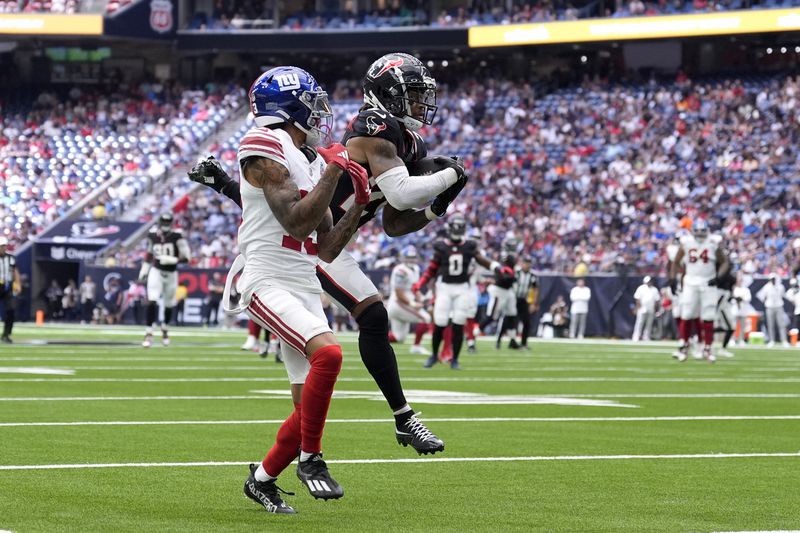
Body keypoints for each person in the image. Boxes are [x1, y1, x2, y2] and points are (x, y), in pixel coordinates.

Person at [190, 52, 469, 455]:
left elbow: (394, 222)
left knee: (326, 361)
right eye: (412, 94)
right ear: (389, 95)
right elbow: (398, 193)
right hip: (316, 249)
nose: (421, 103)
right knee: (371, 316)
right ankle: (401, 420)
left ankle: (301, 456)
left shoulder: (408, 141)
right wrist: (452, 174)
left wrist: (438, 205)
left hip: (330, 239)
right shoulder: (374, 126)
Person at [226, 66, 371, 513]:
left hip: (303, 278)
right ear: (287, 105)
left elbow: (324, 245)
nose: (320, 113)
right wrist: (333, 170)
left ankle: (263, 479)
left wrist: (360, 207)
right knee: (329, 353)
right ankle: (311, 459)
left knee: (305, 406)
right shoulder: (263, 143)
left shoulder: (305, 157)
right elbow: (296, 221)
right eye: (313, 102)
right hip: (266, 276)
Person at [413, 214, 508, 368]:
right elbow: (432, 268)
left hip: (462, 288)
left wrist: (496, 267)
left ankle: (455, 359)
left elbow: (480, 259)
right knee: (440, 322)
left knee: (458, 323)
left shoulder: (469, 246)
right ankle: (434, 355)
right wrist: (421, 283)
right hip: (444, 287)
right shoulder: (441, 246)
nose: (456, 230)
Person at [669, 220, 729, 362]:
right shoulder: (687, 243)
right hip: (690, 282)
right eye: (698, 232)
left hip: (708, 282)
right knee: (687, 314)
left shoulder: (713, 243)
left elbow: (725, 262)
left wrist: (719, 277)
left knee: (708, 315)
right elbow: (676, 262)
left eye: (703, 232)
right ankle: (684, 345)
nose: (700, 235)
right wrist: (672, 279)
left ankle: (707, 348)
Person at [138, 213, 191, 347]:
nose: (166, 225)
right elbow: (149, 254)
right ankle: (149, 332)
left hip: (172, 273)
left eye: (168, 222)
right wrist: (144, 270)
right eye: (164, 222)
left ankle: (165, 328)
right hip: (156, 271)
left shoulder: (177, 236)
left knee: (168, 304)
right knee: (152, 300)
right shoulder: (153, 236)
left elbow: (187, 257)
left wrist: (174, 260)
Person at [387, 246, 431, 355]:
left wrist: (422, 298)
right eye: (408, 257)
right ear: (403, 258)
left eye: (413, 257)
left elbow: (414, 288)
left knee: (399, 338)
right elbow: (399, 292)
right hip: (398, 304)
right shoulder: (400, 270)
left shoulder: (415, 269)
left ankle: (373, 338)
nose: (410, 260)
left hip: (403, 304)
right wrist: (413, 303)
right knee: (425, 318)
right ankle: (416, 346)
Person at [488, 237, 519, 350]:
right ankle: (475, 334)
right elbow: (504, 273)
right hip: (500, 289)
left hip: (508, 290)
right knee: (493, 316)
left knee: (511, 314)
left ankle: (512, 339)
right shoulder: (504, 257)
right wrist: (512, 277)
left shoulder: (510, 257)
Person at [513, 256, 538, 350]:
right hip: (514, 299)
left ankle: (524, 343)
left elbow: (535, 289)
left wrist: (533, 303)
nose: (527, 265)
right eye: (525, 262)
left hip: (524, 300)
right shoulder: (517, 273)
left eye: (529, 263)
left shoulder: (532, 275)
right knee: (510, 322)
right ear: (522, 263)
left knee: (526, 322)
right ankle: (507, 341)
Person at [757, 273, 788, 348]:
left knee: (781, 324)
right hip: (769, 307)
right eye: (772, 279)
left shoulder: (780, 287)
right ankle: (772, 340)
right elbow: (761, 296)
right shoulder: (766, 287)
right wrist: (766, 301)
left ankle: (784, 341)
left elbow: (784, 295)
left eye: (774, 279)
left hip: (779, 306)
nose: (773, 280)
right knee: (771, 325)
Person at [0, 236, 21, 343]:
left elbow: (15, 271)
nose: (3, 248)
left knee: (11, 310)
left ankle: (6, 334)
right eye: (2, 246)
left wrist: (18, 284)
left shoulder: (10, 258)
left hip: (7, 286)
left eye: (4, 246)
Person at [632, 276, 659, 342]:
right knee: (639, 323)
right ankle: (636, 336)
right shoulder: (641, 288)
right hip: (642, 309)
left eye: (649, 281)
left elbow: (656, 300)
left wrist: (655, 309)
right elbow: (637, 298)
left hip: (651, 309)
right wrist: (638, 307)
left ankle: (646, 336)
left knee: (649, 324)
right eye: (647, 282)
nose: (648, 283)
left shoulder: (654, 289)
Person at [732, 275, 752, 345]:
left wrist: (742, 299)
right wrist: (736, 300)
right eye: (738, 280)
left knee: (742, 326)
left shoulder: (746, 289)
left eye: (740, 280)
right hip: (735, 310)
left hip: (743, 310)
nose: (739, 282)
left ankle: (741, 340)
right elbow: (731, 299)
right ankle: (732, 339)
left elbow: (748, 298)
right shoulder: (734, 289)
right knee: (733, 326)